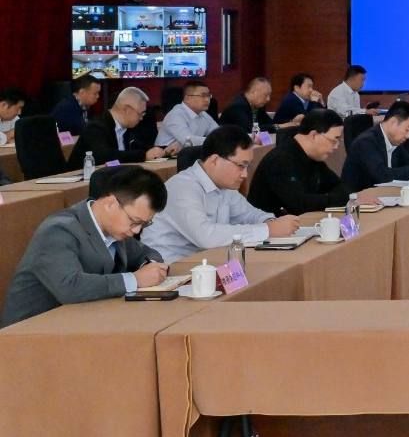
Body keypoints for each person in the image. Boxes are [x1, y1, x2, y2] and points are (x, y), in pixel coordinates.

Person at [1, 166, 168, 327]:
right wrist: (135, 279)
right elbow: (70, 287)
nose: (137, 230)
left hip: (81, 322)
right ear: (110, 203)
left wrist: (151, 267)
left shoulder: (117, 229)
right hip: (29, 332)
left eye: (144, 224)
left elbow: (146, 253)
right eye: (135, 221)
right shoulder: (59, 230)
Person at [144, 126, 299, 261]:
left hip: (207, 261)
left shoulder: (224, 185)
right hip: (171, 268)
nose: (245, 174)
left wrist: (270, 221)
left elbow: (249, 214)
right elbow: (206, 236)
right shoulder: (182, 188)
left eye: (247, 167)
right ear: (215, 160)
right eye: (241, 166)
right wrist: (267, 230)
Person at [246, 108, 353, 216]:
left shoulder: (313, 157)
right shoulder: (280, 161)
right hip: (269, 224)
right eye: (334, 140)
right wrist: (335, 198)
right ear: (314, 135)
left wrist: (334, 197)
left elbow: (340, 187)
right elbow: (301, 205)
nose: (336, 146)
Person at [341, 100, 409, 191]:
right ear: (393, 122)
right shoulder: (366, 142)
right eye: (407, 130)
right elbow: (382, 176)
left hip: (384, 195)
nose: (408, 136)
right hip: (360, 200)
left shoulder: (394, 141)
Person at [70, 86, 174, 167]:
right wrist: (143, 155)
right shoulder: (96, 127)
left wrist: (164, 150)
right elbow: (105, 156)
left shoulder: (127, 128)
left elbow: (138, 149)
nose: (141, 118)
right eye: (140, 114)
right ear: (127, 110)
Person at [154, 81, 218, 149]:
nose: (207, 100)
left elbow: (218, 133)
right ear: (187, 99)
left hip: (189, 152)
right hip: (164, 154)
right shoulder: (175, 115)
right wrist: (213, 140)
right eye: (203, 96)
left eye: (208, 96)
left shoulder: (204, 115)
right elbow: (188, 141)